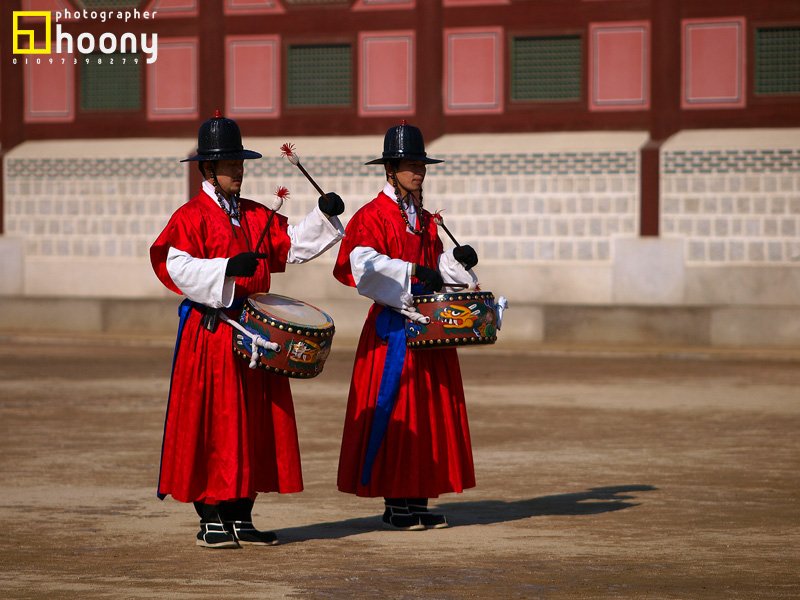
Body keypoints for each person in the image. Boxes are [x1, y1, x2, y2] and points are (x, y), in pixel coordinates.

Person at [150, 110, 345, 548]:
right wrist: (225, 269)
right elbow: (175, 266)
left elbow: (290, 245)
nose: (238, 171)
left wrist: (322, 214)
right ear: (207, 169)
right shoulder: (191, 216)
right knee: (214, 422)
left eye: (240, 163)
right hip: (214, 332)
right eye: (228, 164)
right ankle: (210, 516)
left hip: (257, 332)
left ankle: (241, 514)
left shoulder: (256, 214)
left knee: (254, 422)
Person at [333, 121, 480, 530]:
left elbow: (437, 272)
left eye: (421, 164)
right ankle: (394, 499)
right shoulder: (371, 215)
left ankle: (417, 496)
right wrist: (413, 271)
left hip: (429, 330)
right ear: (390, 170)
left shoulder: (427, 220)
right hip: (393, 330)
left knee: (427, 412)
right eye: (410, 164)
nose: (418, 171)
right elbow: (363, 266)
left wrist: (457, 263)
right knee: (397, 410)